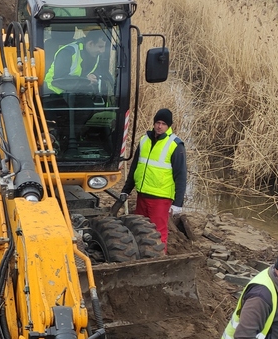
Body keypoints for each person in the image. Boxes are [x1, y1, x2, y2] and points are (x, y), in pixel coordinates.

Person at [122, 109, 186, 249]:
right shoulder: (144, 140)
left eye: (163, 123)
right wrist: (126, 190)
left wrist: (178, 203)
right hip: (142, 195)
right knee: (139, 229)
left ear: (169, 126)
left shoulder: (175, 145)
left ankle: (159, 262)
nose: (159, 126)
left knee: (158, 233)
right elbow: (135, 167)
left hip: (160, 198)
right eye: (158, 122)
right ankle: (141, 259)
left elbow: (181, 176)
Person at [44, 30, 111, 94]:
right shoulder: (68, 52)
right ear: (90, 44)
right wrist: (85, 80)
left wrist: (94, 75)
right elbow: (60, 81)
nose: (103, 51)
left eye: (104, 47)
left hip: (76, 92)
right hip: (53, 93)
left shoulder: (95, 54)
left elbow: (99, 70)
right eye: (100, 46)